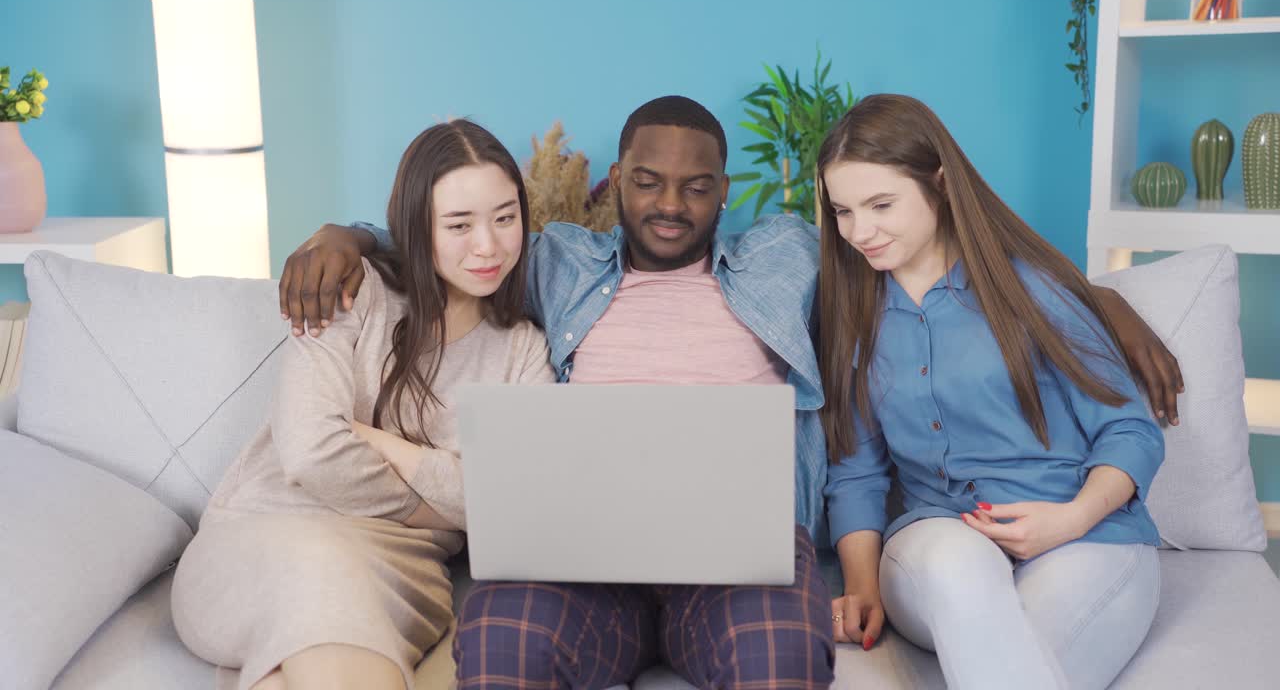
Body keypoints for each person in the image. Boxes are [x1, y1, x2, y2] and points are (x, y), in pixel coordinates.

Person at [279, 95, 1182, 688]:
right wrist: (345, 235)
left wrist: (1100, 300)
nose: (670, 203)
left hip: (742, 553)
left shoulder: (788, 259)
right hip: (584, 550)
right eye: (647, 181)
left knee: (786, 652)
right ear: (616, 184)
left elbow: (927, 255)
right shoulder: (556, 258)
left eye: (697, 186)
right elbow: (452, 242)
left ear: (725, 193)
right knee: (501, 637)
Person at [171, 119, 555, 690]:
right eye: (458, 224)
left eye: (505, 218)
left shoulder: (522, 351)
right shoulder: (353, 290)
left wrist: (386, 445)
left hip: (396, 571)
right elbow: (308, 453)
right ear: (414, 228)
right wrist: (449, 490)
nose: (488, 246)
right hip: (263, 536)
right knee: (317, 577)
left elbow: (515, 507)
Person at [818, 94, 1167, 690]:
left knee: (1018, 660)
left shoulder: (1033, 290)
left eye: (881, 204)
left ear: (941, 184)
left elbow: (1130, 429)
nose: (860, 231)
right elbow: (856, 473)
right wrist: (862, 585)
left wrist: (1071, 518)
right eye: (843, 211)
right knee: (960, 568)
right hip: (938, 540)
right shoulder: (851, 318)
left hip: (1083, 533)